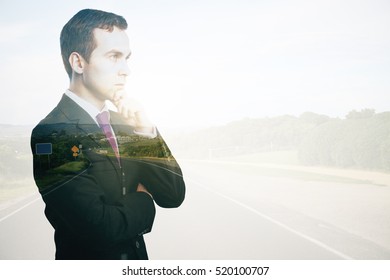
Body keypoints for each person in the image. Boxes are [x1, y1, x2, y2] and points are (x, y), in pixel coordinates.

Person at [30, 8, 185, 260]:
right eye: (114, 56)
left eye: (126, 58)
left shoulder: (127, 123)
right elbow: (99, 228)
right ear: (79, 63)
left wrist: (145, 132)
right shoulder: (52, 134)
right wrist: (144, 200)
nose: (126, 70)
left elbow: (173, 195)